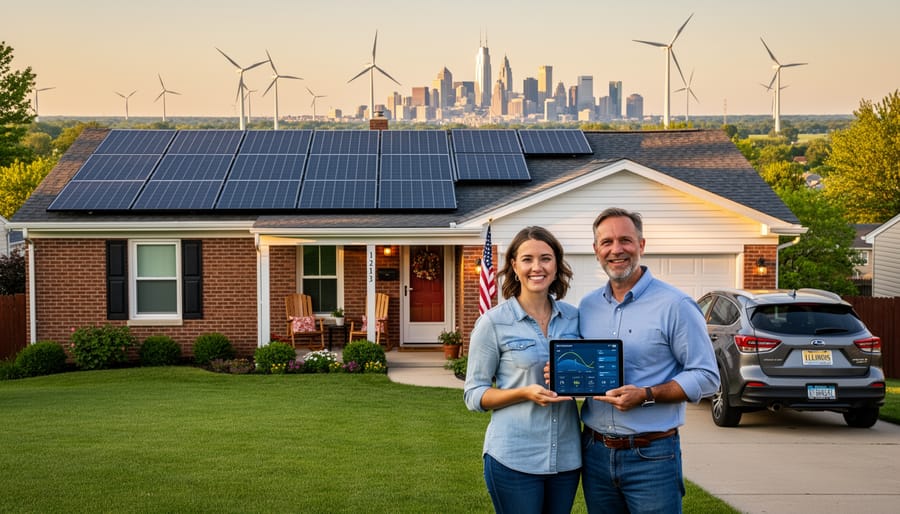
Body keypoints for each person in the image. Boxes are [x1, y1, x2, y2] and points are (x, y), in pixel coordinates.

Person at [579, 207, 719, 514]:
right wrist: (561, 372)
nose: (616, 249)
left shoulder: (676, 305)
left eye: (625, 240)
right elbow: (584, 366)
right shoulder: (587, 307)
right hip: (595, 453)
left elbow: (707, 376)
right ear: (596, 250)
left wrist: (646, 394)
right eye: (607, 242)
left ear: (641, 245)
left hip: (652, 456)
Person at [464, 226, 582, 514]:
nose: (537, 267)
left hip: (567, 459)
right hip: (513, 458)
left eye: (545, 258)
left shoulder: (575, 318)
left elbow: (589, 373)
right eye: (527, 259)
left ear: (557, 265)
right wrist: (524, 393)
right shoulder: (493, 323)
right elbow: (474, 394)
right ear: (514, 266)